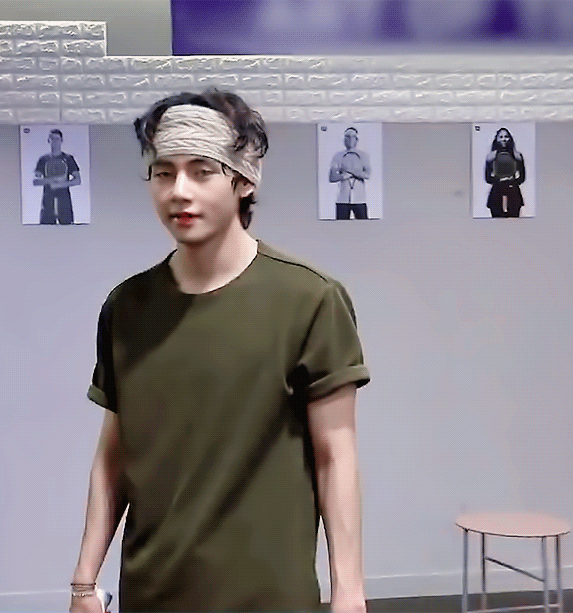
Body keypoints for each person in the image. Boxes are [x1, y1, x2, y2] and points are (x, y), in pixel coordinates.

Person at [70, 89, 370, 613]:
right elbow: (113, 458)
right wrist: (84, 582)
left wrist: (349, 591)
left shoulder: (309, 299)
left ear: (244, 179)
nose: (179, 191)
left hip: (269, 597)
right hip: (151, 593)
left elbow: (335, 457)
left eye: (202, 171)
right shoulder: (128, 306)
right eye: (164, 173)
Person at [33, 129, 81, 224]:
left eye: (57, 139)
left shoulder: (68, 158)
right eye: (52, 139)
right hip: (47, 203)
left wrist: (61, 184)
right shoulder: (43, 159)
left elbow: (78, 180)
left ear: (61, 140)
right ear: (48, 140)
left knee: (67, 230)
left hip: (64, 203)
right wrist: (51, 181)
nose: (55, 141)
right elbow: (36, 181)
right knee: (46, 230)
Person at [329, 127, 371, 220]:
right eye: (347, 137)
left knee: (364, 225)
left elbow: (367, 175)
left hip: (359, 199)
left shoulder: (364, 156)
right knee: (340, 226)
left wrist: (350, 171)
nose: (350, 139)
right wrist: (342, 176)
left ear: (356, 139)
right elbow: (332, 177)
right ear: (344, 139)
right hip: (342, 199)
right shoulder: (338, 156)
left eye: (352, 137)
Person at [485, 127, 525, 218]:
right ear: (496, 139)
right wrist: (499, 179)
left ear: (510, 139)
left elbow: (522, 178)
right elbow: (488, 178)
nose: (504, 139)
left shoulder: (517, 156)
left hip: (513, 192)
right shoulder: (491, 157)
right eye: (501, 137)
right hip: (496, 192)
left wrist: (511, 180)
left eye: (506, 136)